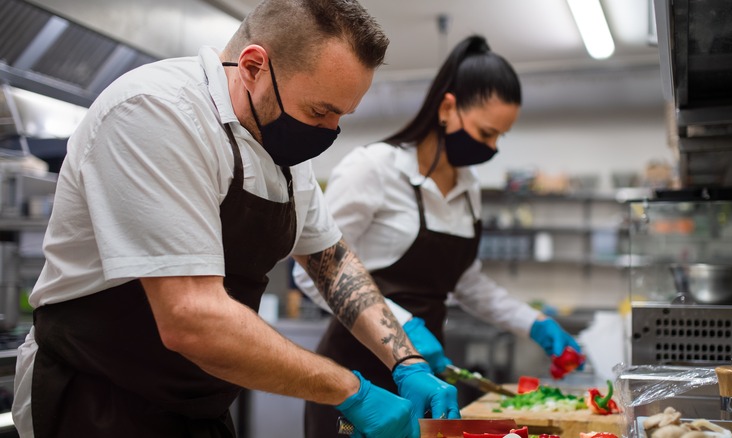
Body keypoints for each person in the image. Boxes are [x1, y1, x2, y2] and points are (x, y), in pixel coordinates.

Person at [12, 1, 460, 437]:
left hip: (196, 402)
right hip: (96, 398)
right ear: (252, 66)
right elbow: (193, 318)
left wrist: (406, 360)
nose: (329, 131)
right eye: (319, 111)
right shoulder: (157, 111)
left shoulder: (280, 145)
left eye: (341, 116)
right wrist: (353, 392)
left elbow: (331, 261)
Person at [294, 35, 583, 437]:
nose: (493, 147)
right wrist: (405, 327)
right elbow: (312, 273)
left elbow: (465, 280)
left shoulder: (469, 189)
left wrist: (535, 323)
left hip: (425, 379)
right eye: (486, 133)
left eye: (501, 136)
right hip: (358, 375)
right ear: (447, 108)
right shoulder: (374, 169)